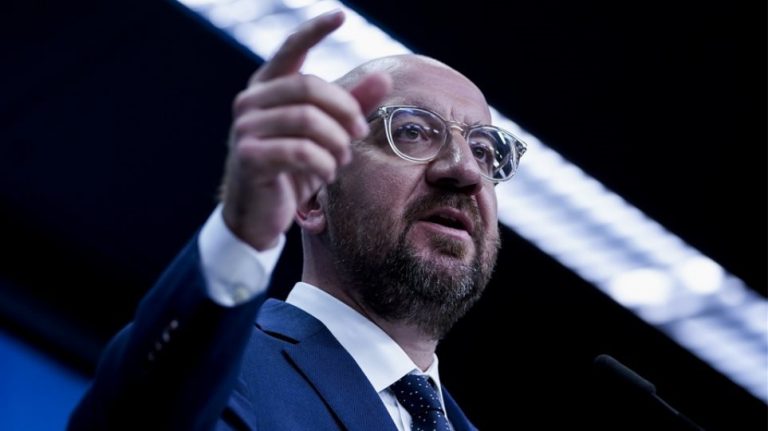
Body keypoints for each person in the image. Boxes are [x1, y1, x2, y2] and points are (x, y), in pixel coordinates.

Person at [68, 9, 527, 431]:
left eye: (484, 151)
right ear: (311, 198)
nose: (465, 170)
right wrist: (241, 234)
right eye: (412, 132)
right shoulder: (219, 369)